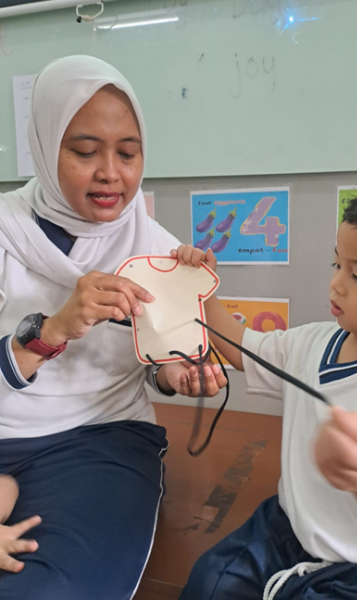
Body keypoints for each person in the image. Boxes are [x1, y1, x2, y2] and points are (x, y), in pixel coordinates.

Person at [174, 175, 357, 599]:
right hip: (292, 529)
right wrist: (199, 289)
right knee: (209, 582)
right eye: (337, 265)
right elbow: (241, 347)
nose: (336, 283)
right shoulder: (313, 341)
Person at [0, 55, 226, 598]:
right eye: (84, 151)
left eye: (128, 153)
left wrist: (175, 373)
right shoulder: (6, 230)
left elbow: (150, 364)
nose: (111, 173)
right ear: (44, 146)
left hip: (95, 437)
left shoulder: (157, 248)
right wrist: (53, 328)